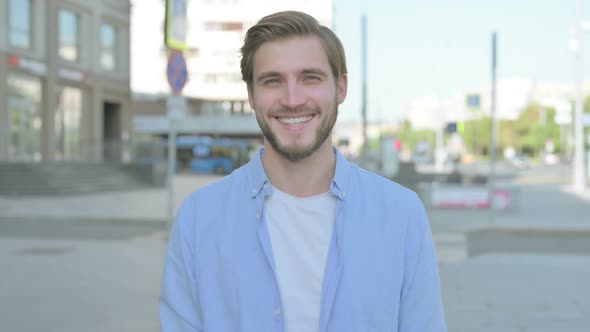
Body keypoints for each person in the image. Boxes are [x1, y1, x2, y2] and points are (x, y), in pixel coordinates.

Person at [159, 10, 447, 332]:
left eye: (310, 77)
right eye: (273, 81)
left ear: (340, 88)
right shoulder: (199, 219)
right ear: (251, 95)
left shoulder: (401, 214)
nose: (293, 99)